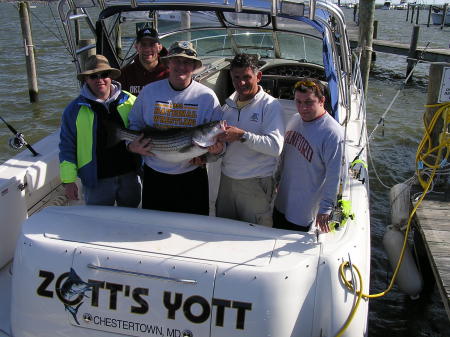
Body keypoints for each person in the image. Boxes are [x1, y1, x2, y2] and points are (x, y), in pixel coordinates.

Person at [127, 41, 223, 215]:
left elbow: (219, 140)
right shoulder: (149, 91)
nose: (181, 66)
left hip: (192, 177)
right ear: (168, 63)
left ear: (194, 66)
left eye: (187, 62)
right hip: (154, 176)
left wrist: (209, 155)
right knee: (154, 228)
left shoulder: (207, 97)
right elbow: (134, 124)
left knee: (193, 226)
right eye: (177, 61)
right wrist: (131, 146)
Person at [59, 54, 141, 207]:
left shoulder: (131, 101)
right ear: (86, 79)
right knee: (98, 226)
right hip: (96, 180)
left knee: (132, 221)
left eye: (104, 74)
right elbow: (67, 146)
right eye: (93, 76)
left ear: (110, 76)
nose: (99, 79)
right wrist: (68, 181)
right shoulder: (73, 110)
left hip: (129, 175)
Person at [215, 54, 285, 227]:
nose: (241, 83)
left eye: (247, 77)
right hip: (227, 181)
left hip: (256, 183)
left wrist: (242, 135)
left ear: (258, 77)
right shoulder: (227, 107)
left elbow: (275, 147)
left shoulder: (270, 105)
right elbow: (225, 148)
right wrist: (215, 151)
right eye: (236, 78)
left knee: (255, 236)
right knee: (222, 231)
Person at [273, 78, 344, 233]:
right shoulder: (295, 119)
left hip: (302, 212)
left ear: (322, 101)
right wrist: (276, 179)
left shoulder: (332, 133)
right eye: (298, 102)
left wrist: (325, 209)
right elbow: (284, 156)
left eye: (309, 102)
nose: (302, 108)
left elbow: (334, 175)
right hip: (282, 201)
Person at [117, 27, 169, 95]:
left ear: (159, 47)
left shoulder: (170, 73)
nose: (147, 49)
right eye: (143, 45)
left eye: (152, 44)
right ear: (136, 47)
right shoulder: (124, 75)